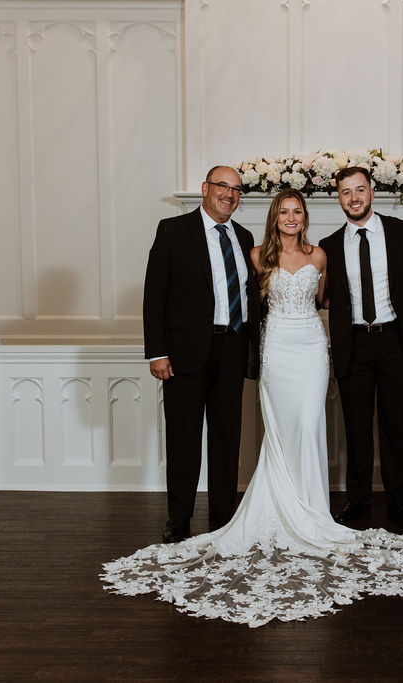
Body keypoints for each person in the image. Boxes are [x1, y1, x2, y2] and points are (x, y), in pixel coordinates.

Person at [102, 188, 403, 627]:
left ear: (305, 217)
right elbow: (236, 303)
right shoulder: (255, 255)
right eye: (285, 212)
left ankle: (310, 509)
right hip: (277, 350)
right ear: (275, 217)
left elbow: (334, 302)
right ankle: (265, 508)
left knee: (310, 424)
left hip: (312, 349)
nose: (292, 218)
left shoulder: (321, 257)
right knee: (278, 429)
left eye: (298, 212)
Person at [141, 166, 261, 543]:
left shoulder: (244, 236)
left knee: (227, 438)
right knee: (183, 438)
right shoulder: (172, 230)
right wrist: (157, 352)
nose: (230, 194)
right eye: (223, 186)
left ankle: (224, 516)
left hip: (232, 348)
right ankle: (179, 518)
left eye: (237, 189)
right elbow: (154, 295)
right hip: (184, 353)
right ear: (206, 189)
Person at [319, 167, 403, 529]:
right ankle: (358, 501)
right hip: (354, 344)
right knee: (356, 431)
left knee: (395, 428)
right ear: (339, 198)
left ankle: (398, 504)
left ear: (372, 193)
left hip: (394, 342)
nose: (354, 197)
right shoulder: (328, 246)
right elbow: (325, 297)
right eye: (346, 192)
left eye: (360, 190)